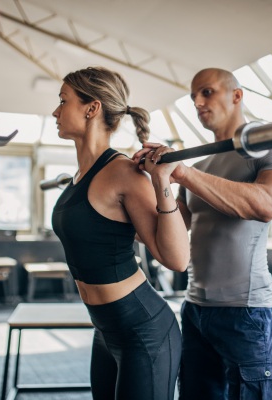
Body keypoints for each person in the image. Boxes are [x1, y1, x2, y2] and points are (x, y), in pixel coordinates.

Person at [133, 68, 272, 399]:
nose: (198, 102)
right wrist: (150, 179)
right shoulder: (203, 165)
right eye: (194, 96)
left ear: (237, 95)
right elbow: (172, 226)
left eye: (206, 92)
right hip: (195, 309)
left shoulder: (269, 152)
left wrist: (182, 172)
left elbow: (266, 204)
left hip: (245, 311)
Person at [50, 66, 190, 400]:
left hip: (145, 331)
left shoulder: (124, 173)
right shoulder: (80, 176)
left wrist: (161, 181)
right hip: (106, 330)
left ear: (91, 108)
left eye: (63, 101)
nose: (55, 111)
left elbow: (177, 259)